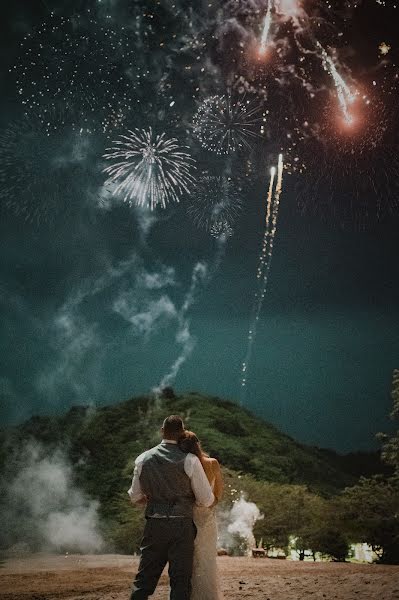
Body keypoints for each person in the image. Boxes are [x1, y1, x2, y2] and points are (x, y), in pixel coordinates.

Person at [127, 415, 214, 600]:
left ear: (162, 431)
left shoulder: (143, 459)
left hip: (154, 524)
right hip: (181, 526)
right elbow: (206, 499)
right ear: (182, 433)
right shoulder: (190, 460)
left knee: (144, 581)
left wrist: (151, 499)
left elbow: (134, 496)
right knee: (180, 581)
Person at [179, 430, 224, 600]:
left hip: (186, 516)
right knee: (206, 560)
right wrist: (208, 505)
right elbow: (219, 493)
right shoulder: (212, 463)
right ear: (198, 444)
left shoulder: (183, 463)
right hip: (207, 517)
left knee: (188, 560)